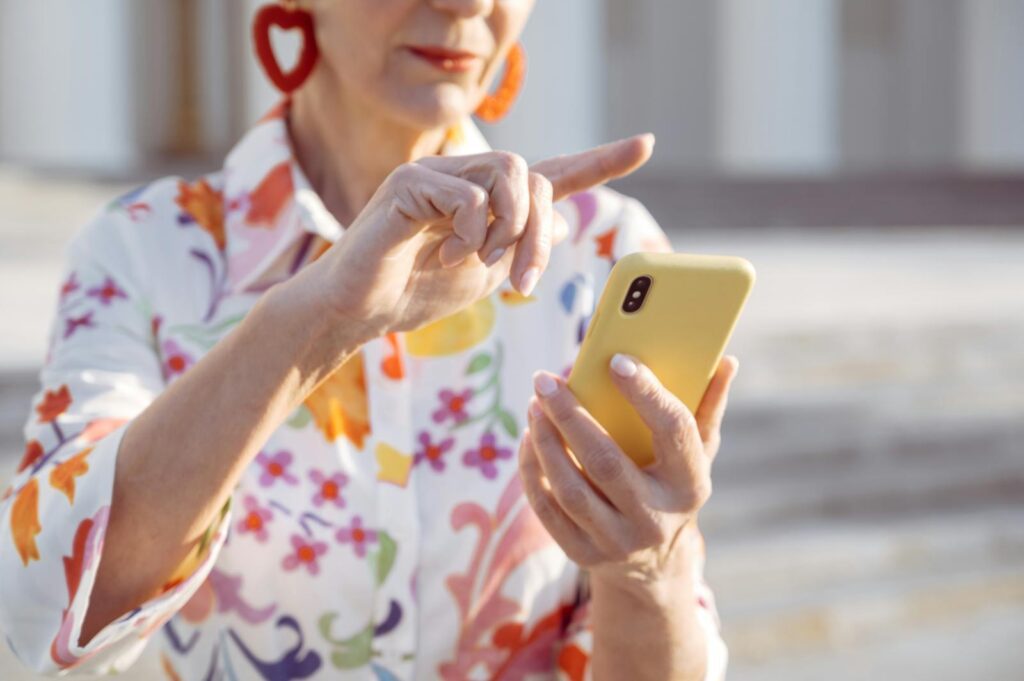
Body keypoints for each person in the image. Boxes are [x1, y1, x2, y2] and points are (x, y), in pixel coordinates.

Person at [0, 1, 737, 679]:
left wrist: (648, 568)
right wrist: (316, 320)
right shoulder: (142, 250)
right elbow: (37, 605)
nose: (467, 4)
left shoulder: (603, 255)